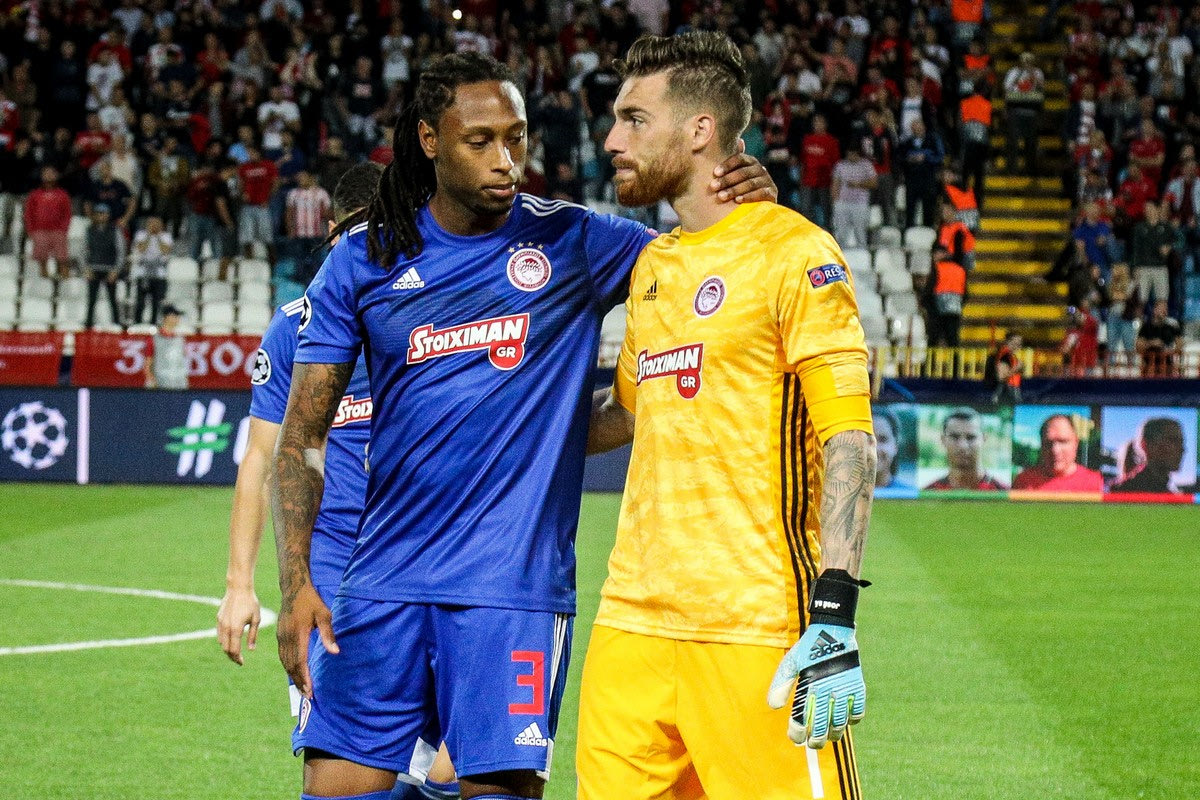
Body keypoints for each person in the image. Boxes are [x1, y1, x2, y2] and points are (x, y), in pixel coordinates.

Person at [272, 51, 775, 800]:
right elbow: (302, 438)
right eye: (479, 141)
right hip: (379, 583)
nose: (505, 160)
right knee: (334, 790)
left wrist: (748, 204)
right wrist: (295, 584)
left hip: (513, 593)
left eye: (517, 137)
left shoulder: (576, 241)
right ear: (429, 140)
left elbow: (711, 267)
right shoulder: (364, 257)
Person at [578, 32, 874, 799]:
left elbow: (849, 440)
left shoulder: (795, 253)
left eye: (634, 119)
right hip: (631, 624)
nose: (611, 140)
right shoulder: (653, 266)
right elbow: (626, 415)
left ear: (700, 130)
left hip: (755, 626)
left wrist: (834, 610)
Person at [216, 162, 460, 800]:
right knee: (348, 771)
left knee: (457, 764)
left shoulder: (435, 310)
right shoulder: (297, 324)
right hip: (335, 578)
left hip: (430, 563)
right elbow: (261, 458)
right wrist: (240, 586)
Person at [1012, 414, 1103, 491]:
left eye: (1062, 441)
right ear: (1041, 445)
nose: (1055, 450)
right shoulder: (1023, 482)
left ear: (1076, 443)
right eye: (1048, 443)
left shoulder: (1096, 483)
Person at [924, 408, 1008, 490]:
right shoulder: (928, 494)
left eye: (971, 437)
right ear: (943, 440)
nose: (963, 446)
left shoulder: (1003, 493)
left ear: (984, 439)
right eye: (954, 437)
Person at [1110, 417, 1186, 494]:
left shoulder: (1168, 493)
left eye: (1181, 442)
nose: (1182, 449)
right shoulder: (1122, 490)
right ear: (1146, 445)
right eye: (1173, 441)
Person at [24, 166, 75, 279]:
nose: (49, 175)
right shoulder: (35, 194)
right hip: (39, 230)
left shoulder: (62, 194)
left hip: (58, 230)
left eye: (52, 173)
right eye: (46, 173)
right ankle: (44, 279)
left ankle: (64, 280)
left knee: (62, 256)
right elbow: (29, 213)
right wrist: (30, 230)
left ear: (56, 176)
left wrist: (64, 228)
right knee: (42, 257)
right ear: (42, 176)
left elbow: (67, 213)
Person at [83, 204, 125, 328]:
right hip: (93, 268)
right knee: (91, 299)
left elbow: (120, 250)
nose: (101, 216)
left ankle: (116, 323)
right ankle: (89, 324)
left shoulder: (115, 230)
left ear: (108, 215)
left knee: (113, 299)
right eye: (99, 213)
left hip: (110, 269)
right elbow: (83, 250)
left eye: (103, 213)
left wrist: (116, 269)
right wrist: (86, 268)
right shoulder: (89, 230)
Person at [830, 142, 876, 247]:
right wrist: (835, 201)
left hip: (860, 203)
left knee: (860, 231)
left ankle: (862, 251)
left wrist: (858, 184)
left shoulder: (866, 165)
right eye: (849, 154)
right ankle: (841, 251)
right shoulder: (840, 165)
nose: (850, 156)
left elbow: (874, 183)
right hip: (842, 202)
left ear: (858, 154)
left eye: (853, 154)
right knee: (841, 232)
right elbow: (835, 183)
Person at [131, 216, 174, 324]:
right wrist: (149, 236)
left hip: (159, 275)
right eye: (151, 224)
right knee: (140, 302)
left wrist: (158, 237)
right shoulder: (141, 235)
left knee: (157, 302)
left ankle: (154, 323)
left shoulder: (166, 236)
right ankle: (137, 323)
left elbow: (165, 250)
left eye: (156, 224)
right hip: (143, 274)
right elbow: (141, 249)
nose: (154, 226)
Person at [144, 304, 187, 389]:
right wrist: (151, 380)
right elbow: (148, 363)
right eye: (175, 316)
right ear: (167, 317)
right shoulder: (154, 339)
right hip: (160, 382)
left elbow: (181, 362)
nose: (178, 319)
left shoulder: (180, 339)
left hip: (179, 382)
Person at [1136, 299, 1182, 376]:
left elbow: (1180, 345)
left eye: (1166, 309)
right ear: (1155, 310)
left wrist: (1170, 350)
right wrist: (1151, 343)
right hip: (1149, 362)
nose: (1164, 311)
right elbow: (1138, 347)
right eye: (1161, 308)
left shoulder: (1172, 326)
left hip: (1166, 362)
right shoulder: (1146, 326)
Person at [873, 406, 910, 490]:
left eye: (883, 439)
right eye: (868, 440)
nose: (875, 449)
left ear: (895, 446)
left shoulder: (908, 494)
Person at [986, 330, 1023, 403]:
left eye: (1020, 343)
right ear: (1008, 342)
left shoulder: (1010, 355)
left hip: (1008, 391)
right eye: (1016, 343)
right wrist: (1016, 368)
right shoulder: (1004, 355)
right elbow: (1001, 377)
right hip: (1005, 394)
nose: (1019, 346)